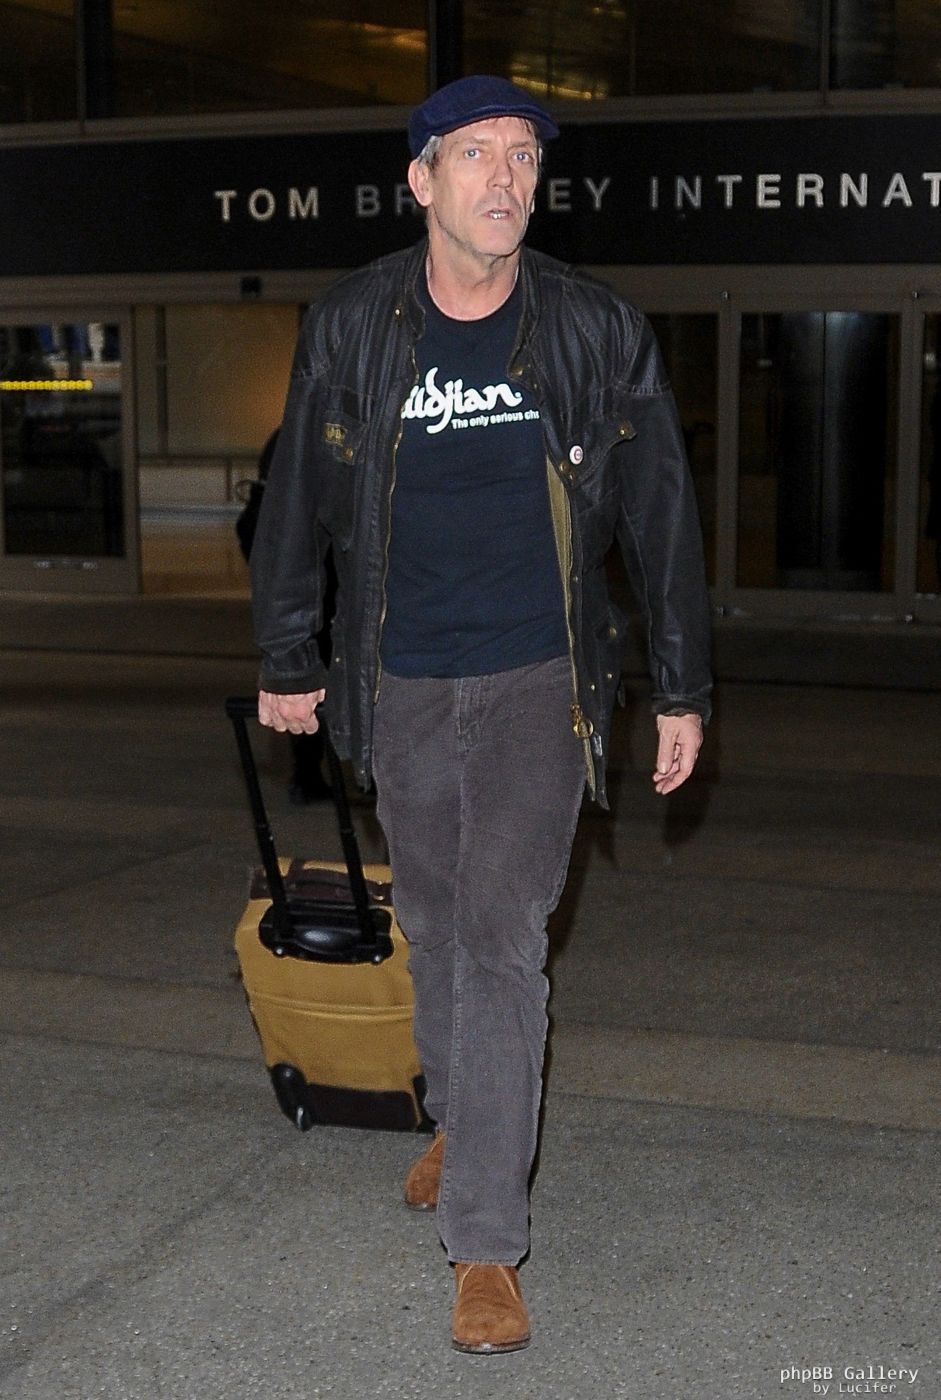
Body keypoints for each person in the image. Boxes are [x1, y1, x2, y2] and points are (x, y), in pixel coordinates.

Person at [250, 74, 712, 1355]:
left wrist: (682, 683)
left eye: (522, 156)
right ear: (421, 181)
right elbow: (298, 499)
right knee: (438, 920)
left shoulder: (594, 329)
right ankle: (462, 1117)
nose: (505, 177)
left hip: (536, 682)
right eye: (475, 155)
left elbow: (661, 515)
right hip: (399, 678)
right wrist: (288, 650)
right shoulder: (352, 325)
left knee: (504, 937)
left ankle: (485, 1243)